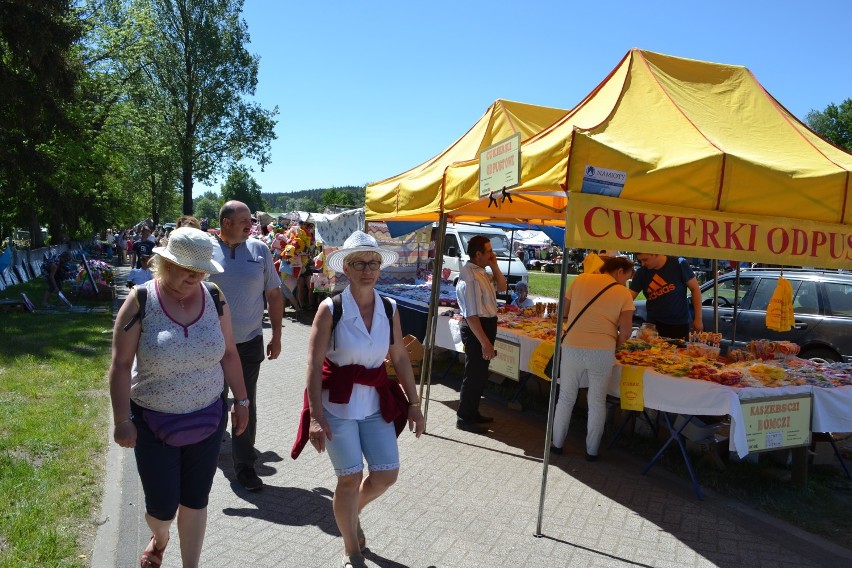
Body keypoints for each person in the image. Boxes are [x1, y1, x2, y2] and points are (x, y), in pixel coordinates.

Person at [109, 227, 249, 568]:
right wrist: (122, 420)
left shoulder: (214, 296)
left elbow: (230, 352)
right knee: (161, 506)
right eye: (189, 268)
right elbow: (121, 364)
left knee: (196, 500)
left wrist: (243, 402)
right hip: (154, 424)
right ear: (165, 263)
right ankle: (160, 537)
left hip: (208, 418)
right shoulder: (142, 299)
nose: (196, 276)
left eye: (201, 270)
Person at [291, 230, 424, 568]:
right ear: (346, 269)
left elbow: (400, 357)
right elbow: (312, 364)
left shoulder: (390, 306)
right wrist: (316, 418)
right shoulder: (329, 308)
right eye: (360, 263)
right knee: (348, 478)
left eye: (374, 263)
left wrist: (414, 403)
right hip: (337, 406)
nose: (368, 269)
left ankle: (351, 513)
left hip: (375, 404)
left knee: (386, 474)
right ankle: (352, 550)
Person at [208, 200, 283, 491]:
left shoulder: (260, 250)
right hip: (211, 346)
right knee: (212, 402)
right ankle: (207, 455)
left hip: (249, 343)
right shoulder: (206, 250)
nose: (251, 225)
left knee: (244, 401)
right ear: (227, 223)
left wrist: (277, 334)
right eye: (244, 220)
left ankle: (245, 466)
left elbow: (274, 295)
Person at [551, 256, 635, 461]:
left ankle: (557, 444)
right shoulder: (623, 293)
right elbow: (625, 333)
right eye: (628, 277)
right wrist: (612, 345)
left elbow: (563, 311)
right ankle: (592, 451)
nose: (627, 282)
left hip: (572, 346)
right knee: (597, 401)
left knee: (566, 397)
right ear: (620, 272)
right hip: (602, 351)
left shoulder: (580, 280)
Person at [455, 235, 507, 433]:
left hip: (486, 324)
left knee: (480, 374)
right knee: (474, 374)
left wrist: (494, 266)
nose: (492, 254)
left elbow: (502, 287)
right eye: (489, 251)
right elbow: (472, 315)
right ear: (478, 254)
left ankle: (472, 411)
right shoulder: (470, 277)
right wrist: (485, 343)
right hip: (478, 328)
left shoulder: (482, 272)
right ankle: (464, 418)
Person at [629, 253, 703, 340]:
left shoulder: (679, 264)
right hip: (654, 325)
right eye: (640, 260)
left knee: (679, 352)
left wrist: (698, 319)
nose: (642, 264)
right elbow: (629, 298)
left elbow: (695, 289)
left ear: (656, 254)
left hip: (678, 325)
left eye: (645, 260)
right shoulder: (642, 272)